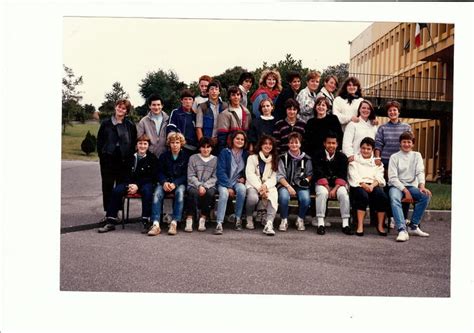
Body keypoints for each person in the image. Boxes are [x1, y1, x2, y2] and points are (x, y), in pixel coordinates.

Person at [98, 134, 158, 233]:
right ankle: (111, 221)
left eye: (145, 144)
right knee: (116, 190)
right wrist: (129, 185)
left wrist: (137, 185)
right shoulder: (129, 156)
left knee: (147, 191)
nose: (142, 146)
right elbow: (123, 172)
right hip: (129, 183)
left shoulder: (152, 158)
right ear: (136, 145)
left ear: (148, 145)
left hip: (144, 184)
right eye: (140, 143)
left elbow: (152, 176)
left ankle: (145, 221)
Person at [97, 99, 137, 221]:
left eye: (123, 108)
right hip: (108, 159)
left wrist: (129, 159)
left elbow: (133, 143)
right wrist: (102, 156)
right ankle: (108, 213)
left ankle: (117, 212)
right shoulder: (106, 123)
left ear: (127, 111)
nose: (120, 110)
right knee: (107, 186)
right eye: (119, 107)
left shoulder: (130, 125)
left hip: (123, 160)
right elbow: (100, 142)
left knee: (120, 187)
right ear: (115, 107)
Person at [374, 100, 412, 228]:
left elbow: (409, 144)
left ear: (398, 112)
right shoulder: (382, 128)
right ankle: (390, 218)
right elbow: (378, 144)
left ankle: (403, 217)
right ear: (387, 113)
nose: (392, 112)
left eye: (394, 110)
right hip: (386, 162)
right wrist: (377, 158)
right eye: (390, 110)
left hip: (402, 164)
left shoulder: (406, 127)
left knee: (404, 188)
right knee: (389, 191)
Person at [388, 131, 432, 242]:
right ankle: (402, 230)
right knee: (394, 198)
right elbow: (392, 178)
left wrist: (421, 186)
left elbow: (420, 172)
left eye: (409, 142)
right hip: (396, 186)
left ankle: (413, 226)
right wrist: (405, 190)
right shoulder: (394, 157)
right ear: (400, 143)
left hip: (411, 186)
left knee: (425, 196)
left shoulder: (417, 155)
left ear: (413, 144)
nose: (406, 144)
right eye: (404, 142)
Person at [149, 133, 189, 236]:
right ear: (169, 144)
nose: (175, 145)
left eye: (177, 142)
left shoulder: (185, 156)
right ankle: (156, 224)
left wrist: (175, 183)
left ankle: (174, 222)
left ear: (181, 144)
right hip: (165, 182)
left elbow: (186, 175)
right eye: (172, 143)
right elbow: (159, 172)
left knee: (180, 193)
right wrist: (164, 182)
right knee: (157, 194)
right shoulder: (164, 156)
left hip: (179, 183)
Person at [313, 132, 352, 235]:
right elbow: (318, 172)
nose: (331, 145)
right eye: (329, 143)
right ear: (324, 144)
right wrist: (327, 187)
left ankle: (345, 224)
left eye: (333, 143)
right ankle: (321, 223)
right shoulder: (318, 155)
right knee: (322, 193)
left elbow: (342, 175)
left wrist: (334, 189)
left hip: (337, 185)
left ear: (337, 144)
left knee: (344, 194)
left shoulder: (342, 157)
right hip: (322, 183)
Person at [347, 137, 389, 236]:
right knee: (362, 195)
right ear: (360, 148)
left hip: (373, 185)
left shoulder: (377, 163)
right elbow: (354, 176)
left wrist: (372, 186)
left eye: (368, 149)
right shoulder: (354, 161)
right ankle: (360, 226)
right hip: (359, 185)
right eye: (363, 148)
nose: (365, 151)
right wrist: (365, 185)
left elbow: (379, 177)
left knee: (381, 196)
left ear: (373, 150)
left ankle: (380, 226)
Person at [277, 132, 313, 232]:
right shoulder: (283, 158)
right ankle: (284, 219)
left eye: (296, 142)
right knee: (284, 197)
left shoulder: (306, 159)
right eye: (291, 142)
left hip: (301, 185)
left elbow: (309, 174)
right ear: (288, 144)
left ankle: (300, 219)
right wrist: (288, 186)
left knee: (306, 199)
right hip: (285, 184)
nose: (294, 145)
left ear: (300, 144)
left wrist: (306, 180)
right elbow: (280, 175)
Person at [215, 130, 249, 235]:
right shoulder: (225, 152)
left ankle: (237, 219)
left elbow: (247, 170)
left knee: (242, 190)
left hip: (237, 181)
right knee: (224, 194)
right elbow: (220, 171)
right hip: (224, 181)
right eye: (237, 138)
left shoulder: (246, 154)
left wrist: (244, 177)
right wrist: (228, 186)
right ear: (232, 140)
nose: (239, 141)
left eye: (242, 139)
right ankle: (219, 223)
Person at [245, 134, 279, 236]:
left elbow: (274, 177)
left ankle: (269, 224)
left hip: (268, 186)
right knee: (252, 198)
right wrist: (260, 188)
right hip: (253, 185)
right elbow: (250, 174)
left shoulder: (275, 159)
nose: (267, 146)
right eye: (265, 144)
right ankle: (249, 217)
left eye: (270, 144)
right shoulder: (252, 158)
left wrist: (266, 186)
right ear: (260, 145)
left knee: (273, 195)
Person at [184, 137, 218, 232]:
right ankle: (189, 218)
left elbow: (215, 177)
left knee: (210, 193)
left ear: (211, 148)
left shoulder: (215, 160)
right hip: (194, 184)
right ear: (199, 148)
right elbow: (190, 175)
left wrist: (205, 186)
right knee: (192, 193)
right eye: (203, 147)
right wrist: (199, 185)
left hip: (209, 185)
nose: (206, 149)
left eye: (208, 147)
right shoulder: (193, 158)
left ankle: (203, 217)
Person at [216, 86, 251, 153]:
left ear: (241, 96)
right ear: (229, 97)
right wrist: (223, 151)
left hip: (244, 148)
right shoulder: (225, 114)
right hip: (230, 148)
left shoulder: (247, 112)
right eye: (233, 95)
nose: (236, 97)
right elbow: (222, 136)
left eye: (238, 94)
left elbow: (249, 132)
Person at [195, 80, 228, 148]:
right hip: (207, 143)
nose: (214, 91)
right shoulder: (202, 107)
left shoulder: (225, 106)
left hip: (222, 142)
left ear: (219, 92)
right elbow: (198, 127)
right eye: (212, 89)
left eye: (216, 89)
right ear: (208, 92)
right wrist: (203, 144)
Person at [137, 94, 169, 158]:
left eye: (158, 105)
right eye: (153, 105)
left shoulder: (168, 119)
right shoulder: (143, 121)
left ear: (162, 105)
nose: (156, 107)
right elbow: (140, 139)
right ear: (149, 106)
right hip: (149, 156)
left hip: (165, 155)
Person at [167, 89, 198, 154]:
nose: (188, 101)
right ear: (181, 100)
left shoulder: (195, 115)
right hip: (181, 148)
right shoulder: (176, 112)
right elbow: (171, 129)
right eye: (185, 99)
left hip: (194, 148)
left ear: (193, 101)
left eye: (190, 99)